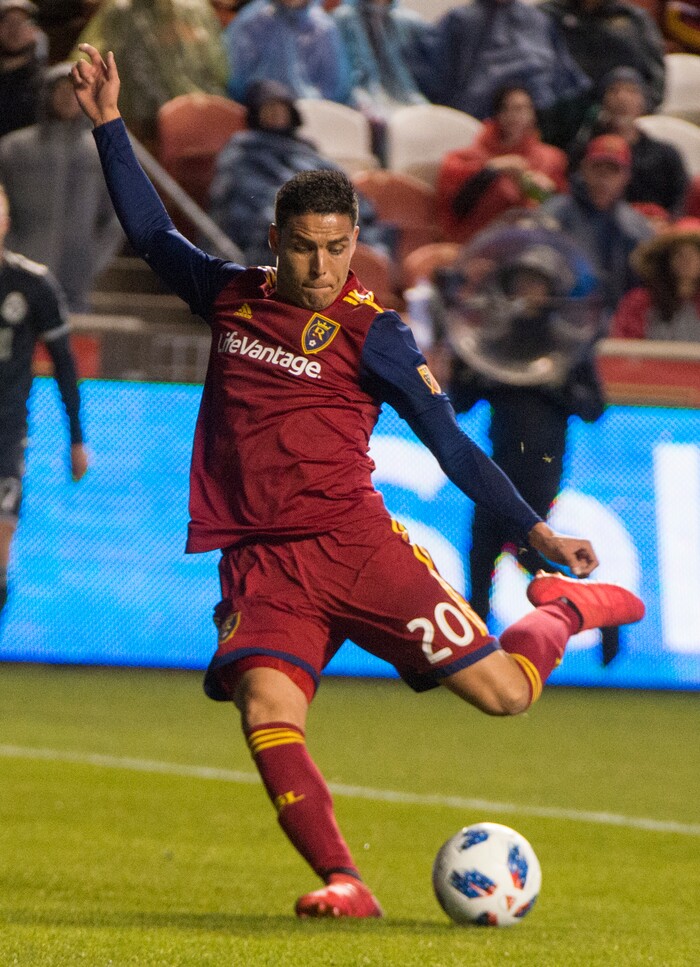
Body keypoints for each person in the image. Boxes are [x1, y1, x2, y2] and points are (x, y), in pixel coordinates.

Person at [71, 44, 645, 919]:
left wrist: (537, 537)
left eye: (339, 249)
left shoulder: (373, 335)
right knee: (265, 703)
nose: (323, 268)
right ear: (276, 243)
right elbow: (152, 236)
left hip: (358, 547)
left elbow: (452, 446)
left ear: (354, 244)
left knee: (505, 695)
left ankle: (566, 608)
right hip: (265, 565)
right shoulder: (231, 296)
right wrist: (111, 124)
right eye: (305, 250)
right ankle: (346, 880)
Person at [434, 227, 605, 624]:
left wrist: (555, 388)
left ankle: (592, 609)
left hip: (542, 464)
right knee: (482, 552)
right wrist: (468, 369)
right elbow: (459, 403)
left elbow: (594, 408)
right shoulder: (495, 339)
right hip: (499, 460)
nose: (528, 292)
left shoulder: (567, 343)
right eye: (521, 283)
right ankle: (477, 640)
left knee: (527, 552)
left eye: (536, 283)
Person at [0, 183, 88, 620]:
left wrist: (76, 438)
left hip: (5, 434)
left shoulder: (31, 284)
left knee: (0, 549)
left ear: (6, 221)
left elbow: (64, 364)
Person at [208, 78, 394, 266]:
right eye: (269, 108)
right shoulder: (242, 150)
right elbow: (245, 196)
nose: (276, 113)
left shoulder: (305, 149)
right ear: (257, 113)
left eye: (281, 107)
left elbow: (337, 182)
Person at [0, 61, 123, 312]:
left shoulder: (99, 152)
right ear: (47, 94)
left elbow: (116, 216)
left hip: (75, 279)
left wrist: (93, 259)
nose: (69, 98)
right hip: (18, 273)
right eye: (62, 91)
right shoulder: (15, 149)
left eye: (75, 91)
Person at [413, 0, 591, 146]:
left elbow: (567, 80)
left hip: (542, 125)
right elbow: (435, 80)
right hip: (477, 126)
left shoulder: (539, 21)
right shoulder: (461, 20)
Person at [72, 0, 229, 141]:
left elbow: (220, 70)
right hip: (139, 122)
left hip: (198, 118)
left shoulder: (194, 9)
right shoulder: (121, 11)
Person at [436, 85, 569, 245]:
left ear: (532, 113)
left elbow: (561, 214)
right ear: (497, 114)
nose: (514, 116)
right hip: (477, 245)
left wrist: (545, 191)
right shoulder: (466, 158)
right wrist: (490, 170)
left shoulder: (551, 159)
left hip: (531, 248)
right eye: (506, 109)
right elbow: (455, 208)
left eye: (521, 109)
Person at [541, 133, 653, 313]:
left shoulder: (636, 226)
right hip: (563, 318)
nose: (603, 179)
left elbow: (643, 288)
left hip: (618, 326)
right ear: (584, 169)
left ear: (626, 177)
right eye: (597, 169)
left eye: (613, 171)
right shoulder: (555, 213)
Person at [567, 67, 689, 218]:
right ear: (602, 100)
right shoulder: (583, 152)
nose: (622, 98)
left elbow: (680, 204)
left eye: (632, 91)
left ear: (644, 102)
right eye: (613, 90)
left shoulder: (666, 155)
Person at [540, 0, 666, 114]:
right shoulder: (547, 14)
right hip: (560, 114)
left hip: (620, 117)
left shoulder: (635, 19)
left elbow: (656, 80)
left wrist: (633, 109)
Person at [224, 0, 352, 105]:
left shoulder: (324, 29)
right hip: (262, 116)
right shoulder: (251, 22)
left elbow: (336, 89)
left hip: (316, 117)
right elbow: (237, 83)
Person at [612, 218, 700, 341]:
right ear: (666, 259)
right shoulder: (639, 303)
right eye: (679, 253)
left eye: (694, 254)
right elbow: (624, 349)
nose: (686, 261)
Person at [0, 0, 46, 139]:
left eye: (22, 23)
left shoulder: (44, 83)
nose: (14, 29)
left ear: (35, 31)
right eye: (7, 22)